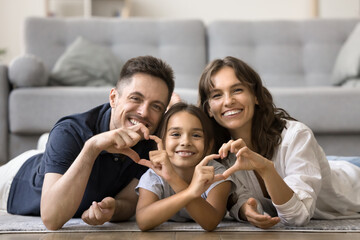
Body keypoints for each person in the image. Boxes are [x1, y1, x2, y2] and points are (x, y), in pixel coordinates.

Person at [0, 55, 175, 230]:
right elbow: (52, 219)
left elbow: (129, 201)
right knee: (62, 141)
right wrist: (92, 148)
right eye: (135, 98)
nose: (144, 112)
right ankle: (50, 146)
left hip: (60, 158)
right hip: (15, 179)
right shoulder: (71, 130)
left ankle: (49, 146)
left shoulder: (152, 142)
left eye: (156, 106)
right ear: (113, 98)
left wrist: (114, 208)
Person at [198, 56, 360, 228]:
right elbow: (239, 198)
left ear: (255, 96)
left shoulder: (296, 135)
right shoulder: (219, 153)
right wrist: (246, 211)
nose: (228, 101)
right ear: (209, 109)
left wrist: (266, 168)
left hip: (352, 180)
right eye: (217, 95)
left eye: (237, 90)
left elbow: (297, 216)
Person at [135, 102, 233, 231]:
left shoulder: (216, 173)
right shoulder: (154, 174)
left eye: (196, 135)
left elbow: (211, 222)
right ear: (162, 142)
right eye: (175, 134)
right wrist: (191, 192)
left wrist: (173, 179)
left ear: (209, 145)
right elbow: (143, 221)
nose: (185, 142)